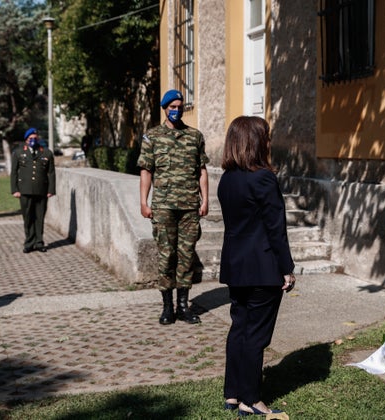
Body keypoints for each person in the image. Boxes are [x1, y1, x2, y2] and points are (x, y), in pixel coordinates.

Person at [217, 116, 296, 416]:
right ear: (255, 142)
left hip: (236, 266)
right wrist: (286, 268)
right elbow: (276, 228)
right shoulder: (263, 178)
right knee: (257, 335)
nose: (269, 141)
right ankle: (251, 398)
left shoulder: (227, 179)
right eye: (266, 136)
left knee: (239, 327)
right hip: (262, 267)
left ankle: (232, 394)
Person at [137, 89, 209, 325]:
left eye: (179, 106)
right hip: (164, 206)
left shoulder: (194, 136)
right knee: (166, 256)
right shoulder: (152, 137)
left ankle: (183, 306)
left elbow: (201, 171)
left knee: (186, 257)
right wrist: (143, 202)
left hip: (189, 206)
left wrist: (205, 199)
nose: (176, 110)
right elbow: (146, 171)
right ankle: (167, 307)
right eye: (172, 107)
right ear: (165, 108)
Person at [10, 127, 56, 253]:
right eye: (31, 138)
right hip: (24, 190)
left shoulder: (46, 153)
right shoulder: (18, 153)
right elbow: (14, 172)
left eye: (35, 138)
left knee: (39, 217)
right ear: (26, 140)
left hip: (41, 190)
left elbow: (51, 173)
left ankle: (39, 242)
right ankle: (29, 242)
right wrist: (15, 190)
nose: (33, 140)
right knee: (28, 217)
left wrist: (51, 189)